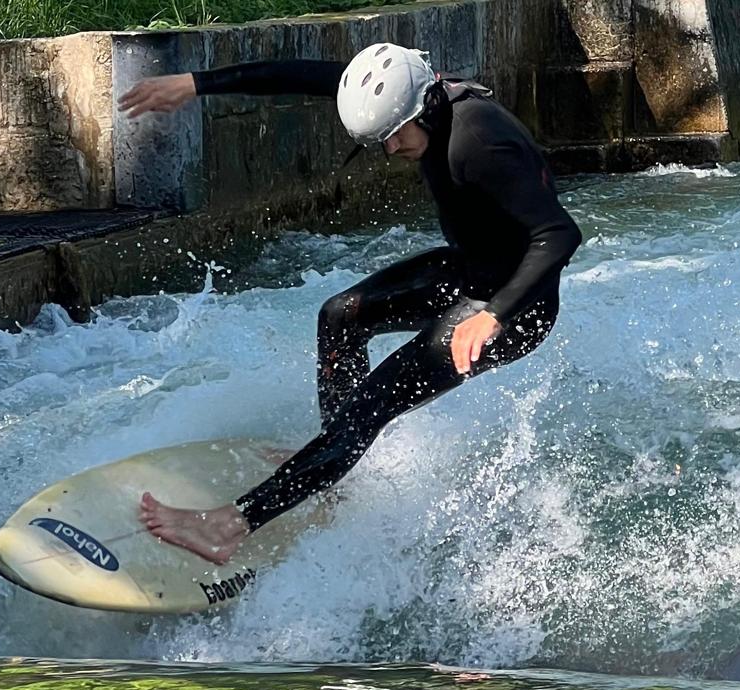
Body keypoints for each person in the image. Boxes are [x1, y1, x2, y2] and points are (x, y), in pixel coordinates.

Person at [116, 43, 583, 564]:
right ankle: (333, 463)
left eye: (394, 136)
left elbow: (559, 234)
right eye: (379, 140)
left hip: (515, 306)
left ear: (423, 108)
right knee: (340, 315)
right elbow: (301, 73)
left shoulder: (479, 142)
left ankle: (230, 526)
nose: (390, 150)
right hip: (472, 270)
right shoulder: (409, 87)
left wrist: (492, 317)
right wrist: (196, 84)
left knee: (369, 406)